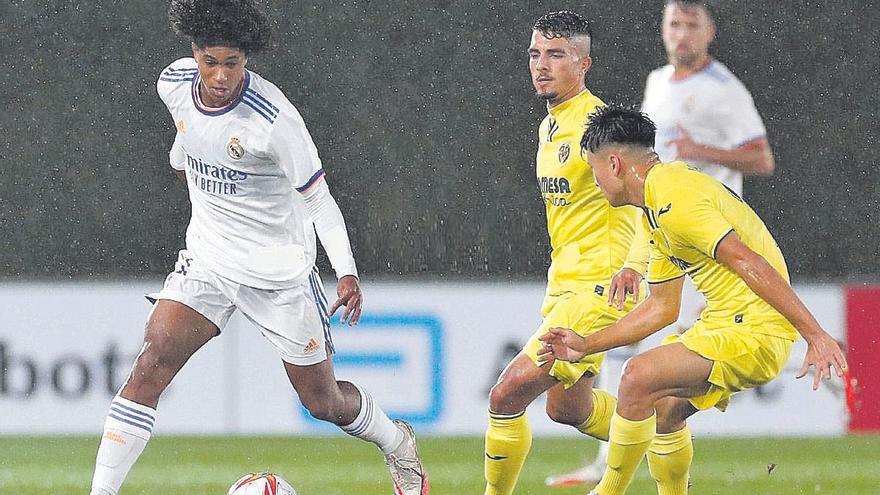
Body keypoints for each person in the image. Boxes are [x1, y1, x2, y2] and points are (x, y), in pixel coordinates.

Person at [88, 1, 428, 494]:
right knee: (149, 365)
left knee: (323, 402)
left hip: (279, 277)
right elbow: (190, 139)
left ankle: (397, 443)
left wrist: (347, 272)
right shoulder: (172, 84)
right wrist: (183, 151)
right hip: (207, 260)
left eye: (234, 63)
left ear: (247, 60)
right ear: (194, 54)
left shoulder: (275, 121)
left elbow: (320, 200)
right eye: (211, 62)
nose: (222, 75)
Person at [538, 105, 846, 495]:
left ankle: (607, 491)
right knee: (664, 411)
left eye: (594, 171)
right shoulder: (656, 207)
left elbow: (748, 261)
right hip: (725, 323)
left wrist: (815, 335)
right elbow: (662, 308)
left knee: (636, 376)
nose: (595, 183)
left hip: (754, 329)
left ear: (614, 164)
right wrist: (585, 344)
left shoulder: (674, 199)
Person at [547, 3, 775, 485]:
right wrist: (634, 260)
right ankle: (622, 460)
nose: (681, 34)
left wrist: (700, 151)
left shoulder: (724, 90)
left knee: (644, 371)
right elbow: (640, 171)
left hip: (708, 246)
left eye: (692, 24)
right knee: (654, 385)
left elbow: (761, 159)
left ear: (710, 31)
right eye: (673, 23)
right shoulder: (656, 84)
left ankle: (612, 471)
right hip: (668, 236)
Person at [484, 11, 649, 495]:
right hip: (566, 284)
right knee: (568, 409)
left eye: (556, 54)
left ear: (584, 64)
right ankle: (660, 430)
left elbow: (650, 200)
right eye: (535, 54)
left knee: (505, 395)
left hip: (599, 285)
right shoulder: (550, 127)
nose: (541, 64)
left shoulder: (600, 129)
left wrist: (634, 266)